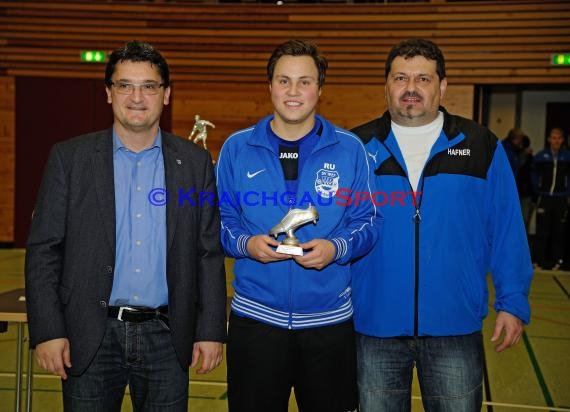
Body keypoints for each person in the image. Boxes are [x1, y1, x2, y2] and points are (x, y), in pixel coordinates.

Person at [25, 40, 227, 411]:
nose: (137, 97)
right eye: (125, 85)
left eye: (149, 86)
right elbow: (44, 250)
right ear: (108, 93)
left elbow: (207, 253)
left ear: (165, 95)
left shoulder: (195, 163)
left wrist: (211, 330)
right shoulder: (70, 159)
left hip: (168, 337)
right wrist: (48, 331)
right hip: (89, 337)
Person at [350, 38, 533, 412]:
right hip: (373, 327)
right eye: (400, 78)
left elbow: (507, 230)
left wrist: (512, 302)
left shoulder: (481, 146)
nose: (411, 88)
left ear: (442, 86)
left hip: (455, 326)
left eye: (423, 78)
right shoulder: (355, 147)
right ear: (386, 85)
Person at [215, 39, 379, 412]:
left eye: (304, 81)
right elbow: (219, 221)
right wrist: (246, 245)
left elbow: (368, 221)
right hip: (255, 322)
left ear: (320, 89)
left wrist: (335, 249)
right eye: (283, 80)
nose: (293, 91)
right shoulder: (237, 148)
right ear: (269, 86)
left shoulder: (351, 149)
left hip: (329, 325)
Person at [532, 126, 570, 270]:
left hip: (561, 199)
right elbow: (533, 174)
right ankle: (537, 261)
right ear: (549, 139)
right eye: (553, 138)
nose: (556, 141)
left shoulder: (567, 156)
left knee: (558, 231)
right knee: (542, 231)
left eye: (559, 138)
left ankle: (557, 261)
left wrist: (567, 192)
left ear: (562, 140)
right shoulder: (541, 156)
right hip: (545, 198)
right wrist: (538, 189)